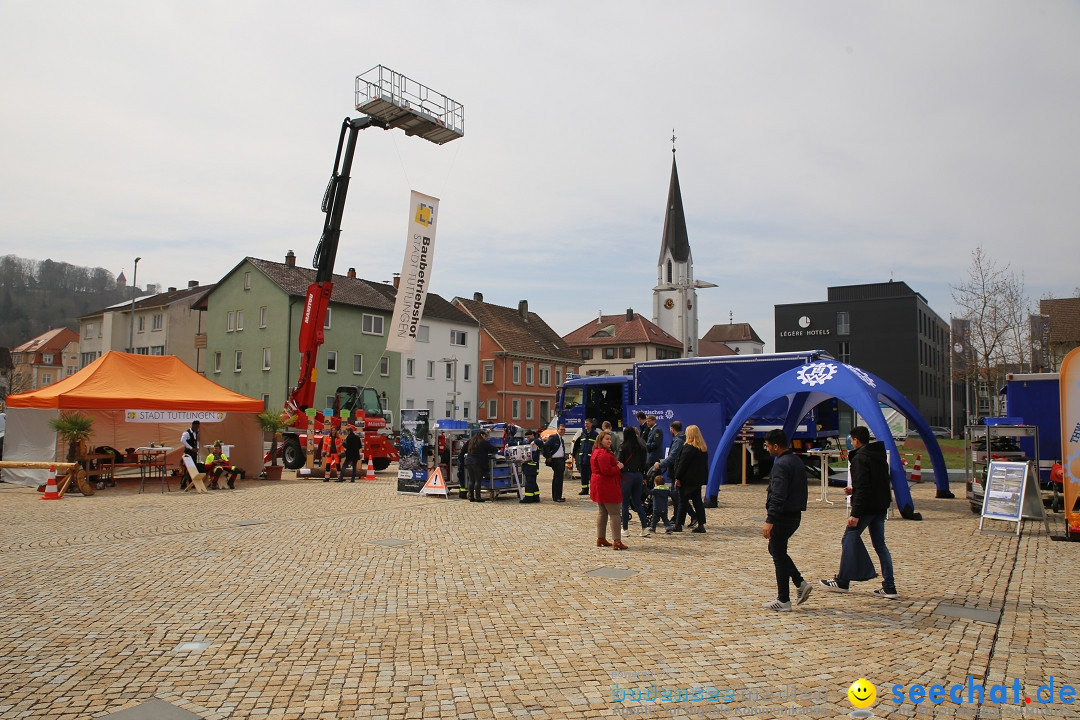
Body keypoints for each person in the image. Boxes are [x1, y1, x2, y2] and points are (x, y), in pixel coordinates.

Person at [820, 426, 898, 599]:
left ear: (855, 440)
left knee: (848, 538)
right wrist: (853, 490)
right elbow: (875, 483)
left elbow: (864, 487)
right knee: (880, 545)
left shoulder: (860, 458)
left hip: (866, 508)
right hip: (879, 506)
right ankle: (889, 585)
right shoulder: (878, 455)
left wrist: (855, 513)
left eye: (851, 439)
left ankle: (843, 580)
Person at [761, 429, 813, 612]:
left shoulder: (781, 465)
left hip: (783, 516)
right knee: (776, 550)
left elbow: (778, 494)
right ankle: (798, 584)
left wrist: (770, 519)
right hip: (794, 514)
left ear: (776, 446)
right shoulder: (796, 461)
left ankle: (785, 598)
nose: (767, 449)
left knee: (778, 553)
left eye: (767, 446)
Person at [590, 431, 626, 550]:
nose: (609, 441)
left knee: (603, 512)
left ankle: (600, 538)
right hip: (607, 486)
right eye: (607, 439)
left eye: (610, 439)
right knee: (615, 514)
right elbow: (607, 471)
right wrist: (618, 467)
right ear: (601, 440)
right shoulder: (604, 454)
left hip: (599, 485)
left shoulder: (596, 451)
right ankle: (617, 541)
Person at [673, 425, 708, 533]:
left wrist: (677, 477)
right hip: (697, 480)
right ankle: (701, 524)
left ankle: (678, 524)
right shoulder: (702, 448)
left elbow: (682, 464)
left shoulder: (688, 448)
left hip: (686, 480)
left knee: (682, 501)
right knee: (697, 501)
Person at [654, 420, 688, 529]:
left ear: (672, 428)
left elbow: (673, 457)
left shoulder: (678, 440)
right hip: (676, 470)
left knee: (677, 496)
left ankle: (688, 516)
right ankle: (676, 517)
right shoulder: (681, 438)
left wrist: (661, 464)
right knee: (678, 496)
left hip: (676, 471)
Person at [618, 426, 649, 536]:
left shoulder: (623, 447)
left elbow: (620, 463)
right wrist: (644, 477)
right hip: (639, 475)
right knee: (638, 503)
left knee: (625, 503)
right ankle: (644, 528)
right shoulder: (641, 447)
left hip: (627, 475)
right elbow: (644, 463)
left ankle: (625, 529)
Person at [464, 431, 496, 502]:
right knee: (478, 480)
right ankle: (478, 497)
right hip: (477, 462)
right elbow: (493, 449)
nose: (486, 438)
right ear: (482, 435)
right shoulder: (483, 442)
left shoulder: (472, 441)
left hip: (468, 462)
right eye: (485, 436)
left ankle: (471, 497)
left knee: (471, 480)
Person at [544, 425, 568, 502]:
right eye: (561, 430)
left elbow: (560, 450)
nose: (562, 431)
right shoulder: (554, 437)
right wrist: (548, 456)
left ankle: (557, 496)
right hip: (556, 460)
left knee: (559, 478)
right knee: (558, 479)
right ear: (557, 430)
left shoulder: (561, 440)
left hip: (561, 459)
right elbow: (546, 446)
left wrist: (564, 456)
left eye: (564, 430)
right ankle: (557, 497)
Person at [574, 418, 598, 496]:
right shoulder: (583, 433)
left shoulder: (595, 434)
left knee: (591, 476)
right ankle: (584, 489)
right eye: (585, 423)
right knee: (583, 475)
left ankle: (593, 490)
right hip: (582, 458)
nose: (586, 425)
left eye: (587, 423)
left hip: (591, 459)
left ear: (591, 424)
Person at [520, 429, 542, 503]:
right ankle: (536, 497)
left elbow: (541, 443)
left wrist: (534, 441)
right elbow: (519, 443)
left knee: (529, 482)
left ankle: (528, 498)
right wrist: (509, 444)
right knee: (532, 482)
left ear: (533, 435)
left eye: (529, 437)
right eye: (526, 437)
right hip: (528, 466)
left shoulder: (536, 442)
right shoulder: (527, 442)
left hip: (532, 466)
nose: (527, 439)